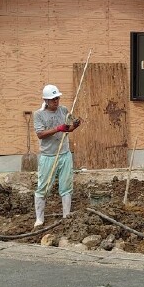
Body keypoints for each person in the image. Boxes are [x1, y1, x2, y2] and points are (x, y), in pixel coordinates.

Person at [32, 84, 81, 228]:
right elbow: (40, 134)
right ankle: (39, 218)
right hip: (48, 155)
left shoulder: (63, 110)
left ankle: (66, 216)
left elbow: (68, 129)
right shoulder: (39, 115)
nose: (56, 101)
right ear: (46, 101)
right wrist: (57, 128)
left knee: (66, 185)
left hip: (64, 153)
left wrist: (74, 126)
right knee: (43, 187)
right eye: (53, 99)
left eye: (57, 98)